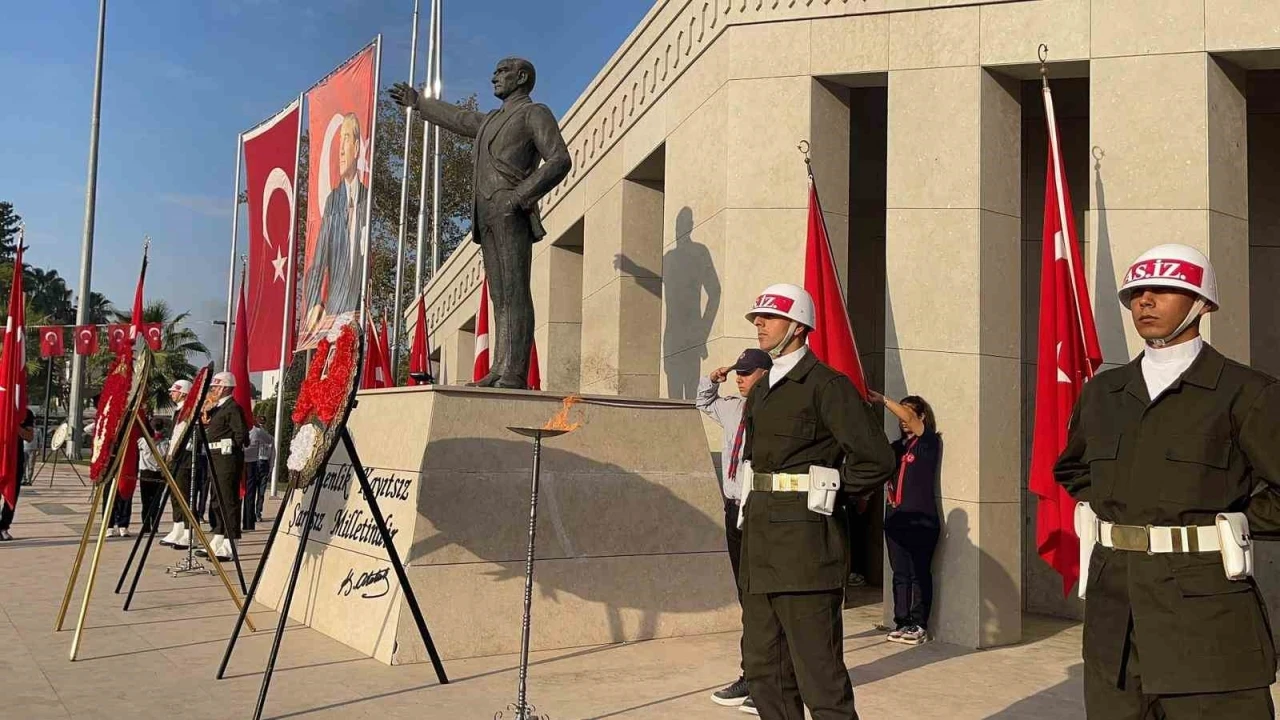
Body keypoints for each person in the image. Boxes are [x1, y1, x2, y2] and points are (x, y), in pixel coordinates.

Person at [1055, 244, 1280, 718]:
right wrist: (1122, 508)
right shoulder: (1104, 393)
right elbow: (1073, 468)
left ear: (1201, 303)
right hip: (1115, 619)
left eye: (1163, 290)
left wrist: (1229, 524)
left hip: (1207, 622)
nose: (1145, 301)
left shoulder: (1247, 392)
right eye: (1137, 293)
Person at [739, 283, 896, 720]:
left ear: (798, 326)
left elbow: (877, 459)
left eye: (770, 317)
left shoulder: (827, 385)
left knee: (820, 679)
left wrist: (830, 488)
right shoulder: (762, 389)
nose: (759, 324)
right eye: (757, 317)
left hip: (806, 552)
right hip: (760, 549)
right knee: (764, 672)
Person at [390, 57, 572, 389]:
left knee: (515, 292)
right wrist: (419, 103)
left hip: (511, 210)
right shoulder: (491, 120)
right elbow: (460, 119)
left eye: (502, 72)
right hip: (486, 214)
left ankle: (514, 371)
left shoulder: (534, 113)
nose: (493, 78)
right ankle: (500, 367)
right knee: (499, 296)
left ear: (521, 77)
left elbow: (559, 159)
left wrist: (519, 197)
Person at [695, 347, 773, 710]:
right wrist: (713, 378)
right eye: (738, 372)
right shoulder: (732, 408)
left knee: (763, 599)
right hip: (733, 508)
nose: (739, 378)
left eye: (746, 372)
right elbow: (702, 401)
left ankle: (768, 683)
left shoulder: (774, 411)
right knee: (747, 597)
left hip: (761, 509)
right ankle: (752, 674)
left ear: (765, 374)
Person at [869, 391, 940, 646]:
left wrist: (883, 401)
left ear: (921, 417)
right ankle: (902, 621)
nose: (903, 418)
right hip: (896, 519)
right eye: (900, 413)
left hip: (922, 520)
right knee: (900, 573)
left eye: (908, 412)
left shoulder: (928, 442)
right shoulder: (896, 448)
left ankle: (919, 624)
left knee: (919, 573)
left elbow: (910, 419)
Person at [300, 112, 369, 344]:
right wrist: (314, 303)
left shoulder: (368, 199)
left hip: (361, 312)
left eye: (346, 139)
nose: (340, 151)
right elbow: (319, 261)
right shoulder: (334, 201)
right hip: (334, 315)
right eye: (339, 142)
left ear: (356, 148)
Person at [197, 372, 248, 562]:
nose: (213, 390)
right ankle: (218, 536)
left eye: (216, 386)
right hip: (214, 457)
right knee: (216, 500)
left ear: (226, 387)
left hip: (227, 458)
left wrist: (229, 447)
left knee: (228, 500)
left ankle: (230, 542)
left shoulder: (232, 408)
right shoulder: (216, 408)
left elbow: (241, 434)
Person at [160, 379, 194, 549]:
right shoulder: (178, 411)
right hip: (175, 458)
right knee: (175, 496)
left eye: (174, 391)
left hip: (185, 458)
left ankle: (189, 532)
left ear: (183, 393)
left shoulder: (189, 411)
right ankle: (178, 527)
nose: (171, 394)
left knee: (184, 496)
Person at [0, 409, 35, 541]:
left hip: (14, 460)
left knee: (12, 494)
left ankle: (3, 527)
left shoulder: (25, 413)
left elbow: (29, 437)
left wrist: (14, 424)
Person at [137, 417, 168, 536]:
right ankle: (155, 525)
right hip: (159, 474)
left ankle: (146, 526)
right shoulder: (166, 442)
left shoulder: (142, 441)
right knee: (156, 502)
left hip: (146, 473)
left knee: (145, 502)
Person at [246, 418, 274, 524]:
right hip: (255, 464)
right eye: (259, 424)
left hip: (264, 465)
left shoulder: (269, 438)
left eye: (263, 424)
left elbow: (273, 454)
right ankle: (251, 513)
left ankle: (258, 513)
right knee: (251, 492)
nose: (261, 426)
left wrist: (271, 468)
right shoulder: (254, 434)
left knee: (261, 493)